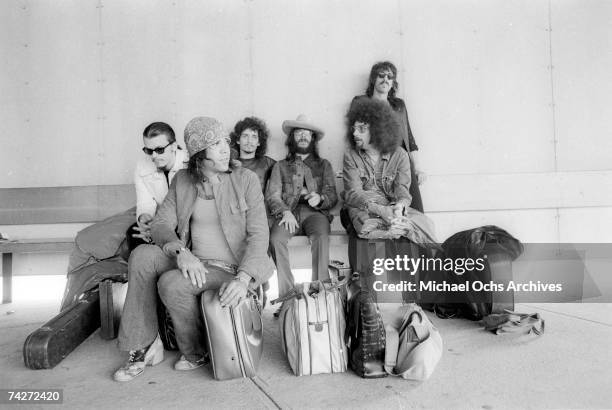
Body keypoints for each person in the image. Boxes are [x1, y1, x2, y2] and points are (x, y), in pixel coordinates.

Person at [113, 116, 273, 382]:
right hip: (195, 260)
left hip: (231, 268)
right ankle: (141, 346)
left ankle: (195, 351)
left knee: (172, 283)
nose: (226, 149)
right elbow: (162, 223)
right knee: (142, 255)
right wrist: (181, 252)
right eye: (216, 144)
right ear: (200, 154)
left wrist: (244, 279)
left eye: (225, 142)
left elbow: (259, 236)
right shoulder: (184, 181)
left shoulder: (245, 180)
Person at [266, 115, 338, 316]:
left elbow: (333, 195)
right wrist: (285, 211)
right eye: (299, 133)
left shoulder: (324, 165)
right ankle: (288, 298)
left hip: (315, 214)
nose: (304, 137)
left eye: (307, 134)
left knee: (322, 237)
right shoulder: (280, 166)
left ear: (313, 139)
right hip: (289, 214)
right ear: (292, 138)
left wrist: (321, 198)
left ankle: (319, 294)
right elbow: (272, 195)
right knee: (275, 239)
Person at [342, 98, 438, 244]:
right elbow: (353, 194)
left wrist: (399, 207)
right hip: (363, 208)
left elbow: (402, 192)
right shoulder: (351, 156)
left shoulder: (400, 155)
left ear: (377, 129)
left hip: (391, 209)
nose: (355, 133)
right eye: (353, 128)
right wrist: (381, 210)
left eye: (361, 129)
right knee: (368, 226)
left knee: (426, 227)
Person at [350, 61, 425, 212]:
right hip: (372, 161)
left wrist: (417, 167)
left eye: (390, 77)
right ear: (373, 79)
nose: (385, 79)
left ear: (393, 82)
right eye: (381, 75)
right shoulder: (360, 102)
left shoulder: (398, 105)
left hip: (400, 161)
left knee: (411, 208)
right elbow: (354, 135)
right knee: (379, 208)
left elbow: (408, 137)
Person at [127, 122, 187, 250]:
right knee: (134, 233)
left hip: (185, 220)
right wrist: (145, 218)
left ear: (174, 146)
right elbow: (145, 203)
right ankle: (146, 264)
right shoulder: (141, 167)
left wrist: (161, 229)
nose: (154, 156)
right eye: (149, 151)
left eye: (160, 150)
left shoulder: (189, 164)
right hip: (161, 220)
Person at [230, 116, 276, 193]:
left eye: (254, 137)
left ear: (259, 142)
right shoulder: (230, 164)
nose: (249, 141)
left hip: (260, 204)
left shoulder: (268, 163)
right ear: (238, 140)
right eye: (245, 136)